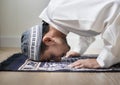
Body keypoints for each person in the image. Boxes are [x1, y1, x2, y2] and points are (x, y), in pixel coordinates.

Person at [21, 0, 120, 69]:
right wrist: (79, 50)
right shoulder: (58, 16)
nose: (58, 59)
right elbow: (90, 25)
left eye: (51, 57)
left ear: (48, 40)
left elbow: (115, 11)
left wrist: (103, 60)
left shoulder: (58, 11)